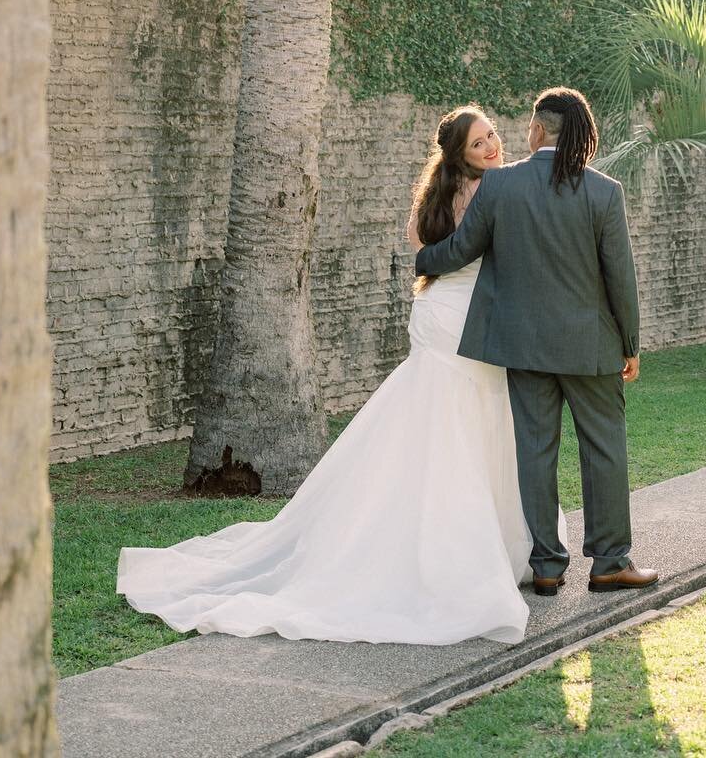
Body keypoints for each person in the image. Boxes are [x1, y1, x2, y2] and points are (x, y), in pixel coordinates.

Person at [116, 106, 544, 646]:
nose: (493, 146)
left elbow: (423, 250)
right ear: (458, 150)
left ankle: (464, 540)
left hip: (443, 312)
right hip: (462, 319)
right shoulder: (492, 193)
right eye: (480, 141)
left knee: (456, 420)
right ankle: (456, 554)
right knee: (458, 422)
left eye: (494, 137)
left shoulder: (436, 196)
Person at [415, 86, 657, 596]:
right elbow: (621, 279)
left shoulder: (501, 187)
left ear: (537, 130)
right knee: (604, 450)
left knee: (534, 451)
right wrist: (630, 345)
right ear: (579, 136)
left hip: (522, 347)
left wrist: (422, 262)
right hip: (590, 348)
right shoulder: (603, 192)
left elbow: (459, 250)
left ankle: (547, 565)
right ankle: (610, 562)